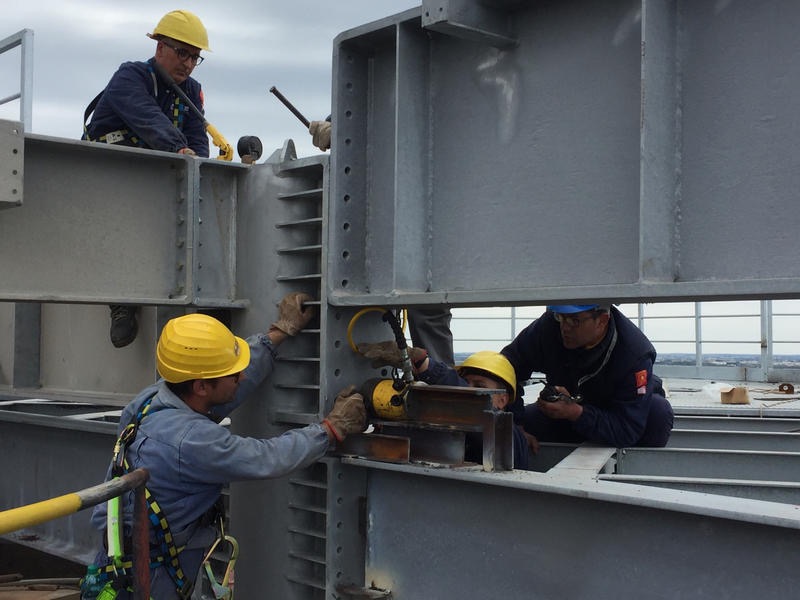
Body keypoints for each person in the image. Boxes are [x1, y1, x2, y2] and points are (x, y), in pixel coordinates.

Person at [86, 292, 366, 599]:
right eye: (233, 374)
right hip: (152, 578)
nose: (242, 377)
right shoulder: (193, 441)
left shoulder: (151, 399)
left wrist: (278, 333)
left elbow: (221, 393)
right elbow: (266, 457)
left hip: (124, 560)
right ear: (201, 386)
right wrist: (330, 429)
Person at [82, 9, 212, 348]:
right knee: (118, 224)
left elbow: (198, 138)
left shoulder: (191, 90)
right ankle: (121, 302)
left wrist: (200, 166)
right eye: (182, 53)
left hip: (154, 180)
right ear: (160, 48)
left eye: (195, 57)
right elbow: (147, 118)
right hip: (107, 174)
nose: (188, 63)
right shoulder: (131, 77)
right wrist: (179, 149)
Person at [501, 304, 674, 449]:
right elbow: (507, 366)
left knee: (658, 413)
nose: (565, 327)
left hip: (612, 417)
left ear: (602, 321)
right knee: (518, 425)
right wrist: (516, 426)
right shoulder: (550, 324)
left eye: (574, 321)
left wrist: (577, 413)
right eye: (561, 317)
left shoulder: (634, 354)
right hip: (565, 416)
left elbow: (627, 429)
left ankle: (631, 475)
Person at [358, 343, 530, 469]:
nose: (469, 390)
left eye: (479, 386)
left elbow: (479, 413)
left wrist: (424, 364)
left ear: (502, 400)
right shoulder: (450, 428)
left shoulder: (510, 436)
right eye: (465, 383)